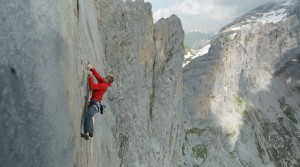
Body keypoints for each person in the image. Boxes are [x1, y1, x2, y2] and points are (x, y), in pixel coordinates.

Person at [81, 63, 114, 140]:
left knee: (88, 116)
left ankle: (86, 133)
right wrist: (92, 68)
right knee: (90, 115)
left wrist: (90, 77)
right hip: (95, 103)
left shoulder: (104, 85)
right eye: (106, 76)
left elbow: (92, 86)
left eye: (106, 77)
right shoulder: (103, 82)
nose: (104, 77)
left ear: (108, 81)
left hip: (95, 104)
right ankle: (91, 132)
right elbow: (98, 75)